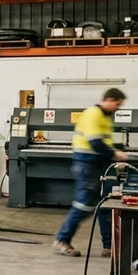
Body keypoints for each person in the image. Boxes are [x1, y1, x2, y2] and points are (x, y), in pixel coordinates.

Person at [54, 88, 128, 257]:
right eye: (117, 104)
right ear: (108, 99)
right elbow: (95, 143)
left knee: (104, 206)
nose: (118, 108)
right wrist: (116, 154)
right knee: (83, 205)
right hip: (87, 166)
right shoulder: (92, 114)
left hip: (99, 165)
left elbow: (104, 143)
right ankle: (62, 240)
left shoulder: (105, 117)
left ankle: (109, 246)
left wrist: (113, 155)